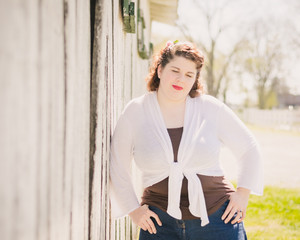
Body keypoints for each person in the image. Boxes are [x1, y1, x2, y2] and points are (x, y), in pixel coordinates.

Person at [109, 41, 263, 240]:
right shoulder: (136, 112)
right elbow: (118, 165)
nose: (181, 79)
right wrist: (133, 210)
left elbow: (249, 149)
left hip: (217, 219)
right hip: (158, 223)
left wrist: (242, 195)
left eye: (189, 75)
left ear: (195, 79)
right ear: (160, 70)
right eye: (175, 70)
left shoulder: (210, 108)